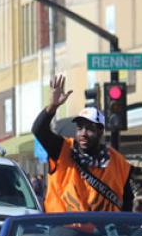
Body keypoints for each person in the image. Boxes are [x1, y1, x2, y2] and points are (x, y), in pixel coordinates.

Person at [32, 75, 133, 212]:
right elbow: (38, 130)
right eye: (80, 128)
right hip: (66, 227)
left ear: (100, 131)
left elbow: (127, 202)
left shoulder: (118, 162)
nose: (83, 133)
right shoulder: (63, 149)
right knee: (69, 235)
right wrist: (52, 106)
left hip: (104, 229)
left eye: (89, 128)